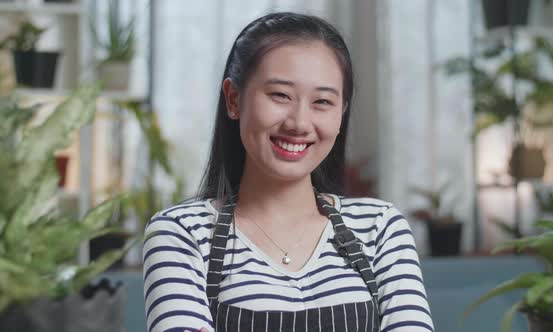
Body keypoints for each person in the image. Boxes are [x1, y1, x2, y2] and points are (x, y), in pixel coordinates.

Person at [143, 12, 434, 332]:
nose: (298, 122)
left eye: (322, 101)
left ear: (341, 113)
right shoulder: (182, 234)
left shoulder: (380, 228)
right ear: (234, 99)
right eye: (280, 95)